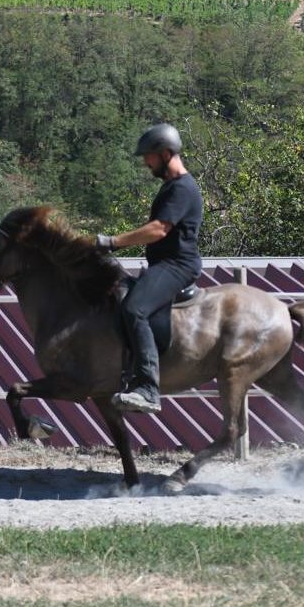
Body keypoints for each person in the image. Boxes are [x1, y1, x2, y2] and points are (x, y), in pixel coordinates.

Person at [95, 123, 204, 414]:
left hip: (177, 266)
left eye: (150, 156)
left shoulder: (182, 188)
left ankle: (148, 389)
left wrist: (112, 242)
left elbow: (158, 230)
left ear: (166, 153)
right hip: (163, 265)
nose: (146, 162)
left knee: (135, 309)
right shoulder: (171, 187)